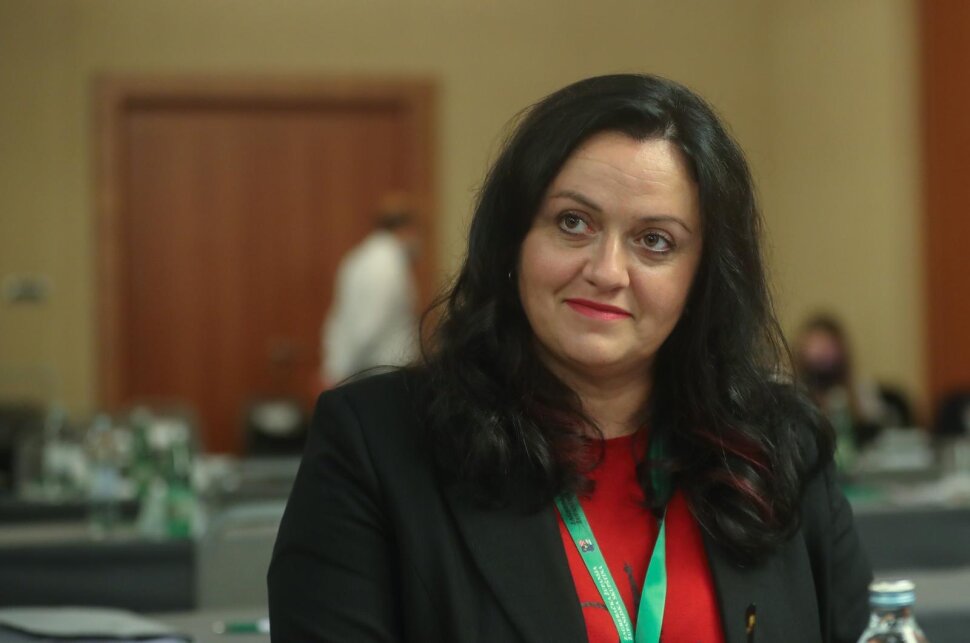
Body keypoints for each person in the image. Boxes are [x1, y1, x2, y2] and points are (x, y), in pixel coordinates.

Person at [270, 74, 872, 642]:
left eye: (655, 240)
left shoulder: (781, 447)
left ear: (703, 278)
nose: (607, 271)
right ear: (513, 241)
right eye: (573, 222)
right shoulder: (377, 447)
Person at [320, 200, 420, 387]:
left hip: (375, 372)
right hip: (378, 374)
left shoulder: (368, 258)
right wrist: (337, 372)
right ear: (407, 228)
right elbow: (369, 324)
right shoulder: (383, 265)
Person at [794, 314, 885, 467]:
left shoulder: (860, 392)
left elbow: (875, 434)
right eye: (816, 346)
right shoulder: (792, 393)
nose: (822, 354)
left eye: (828, 346)